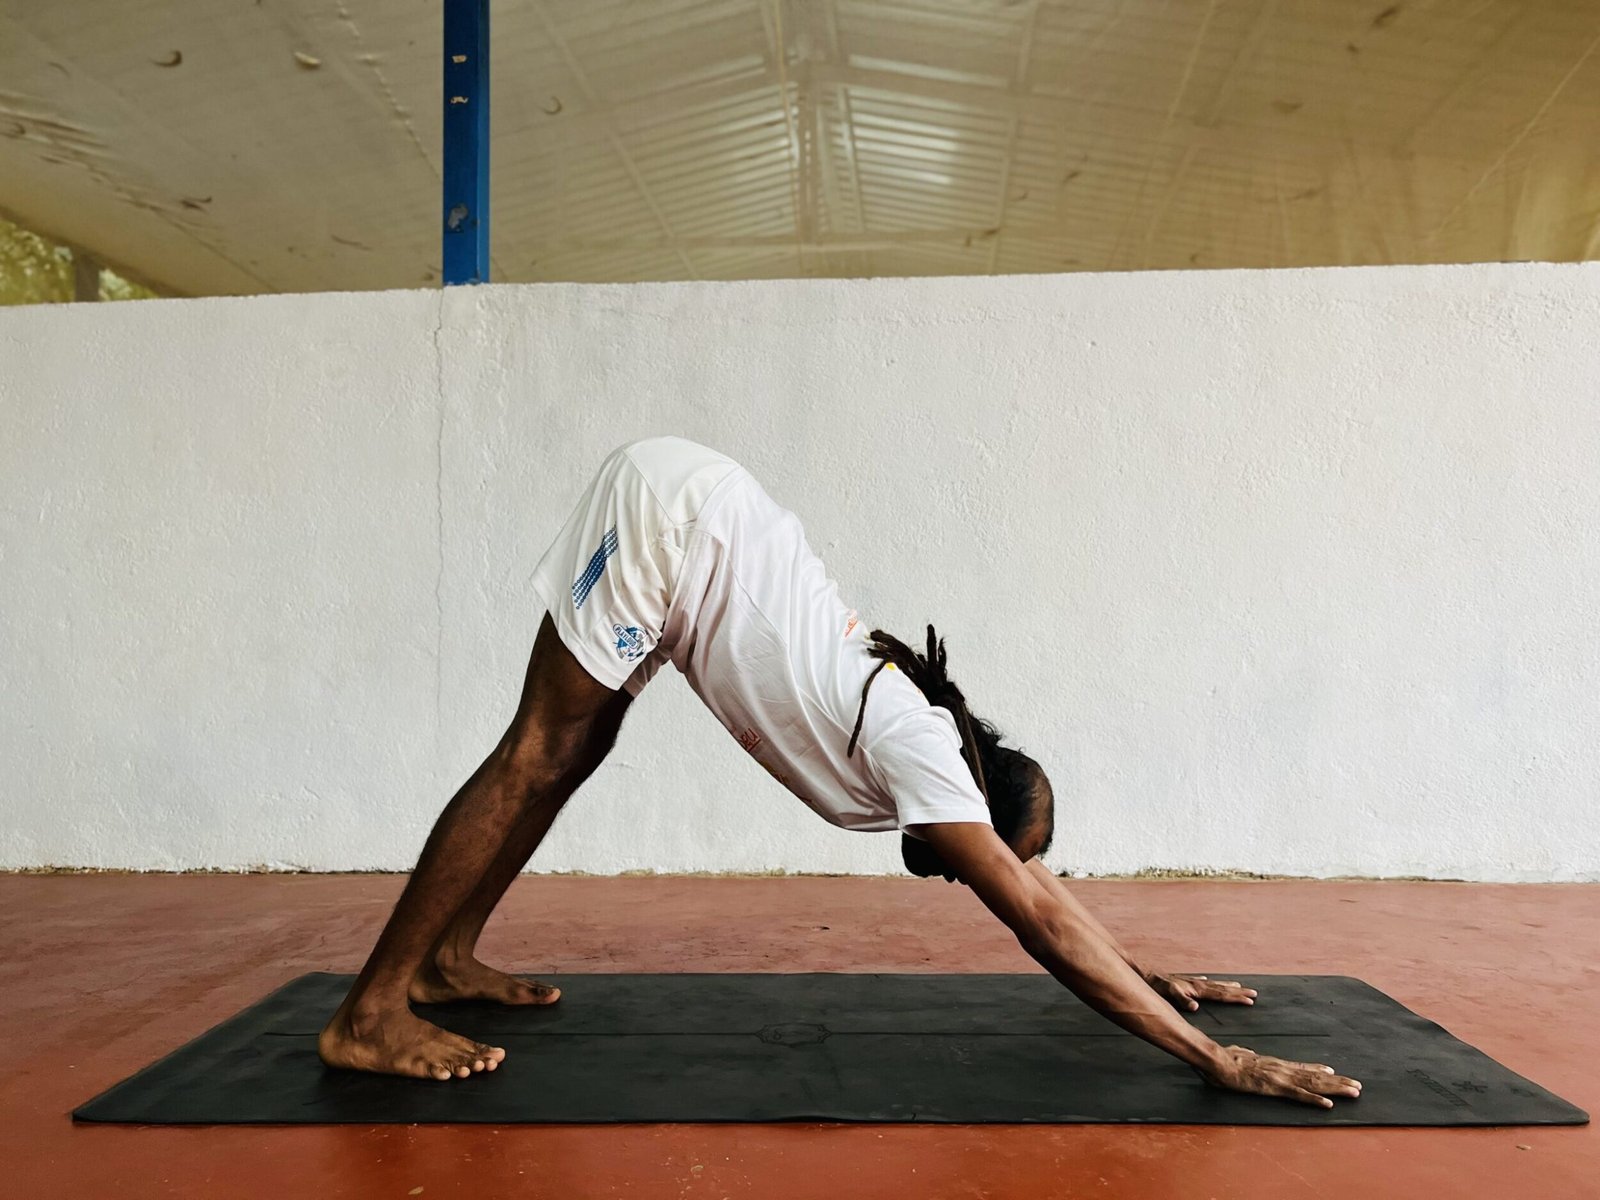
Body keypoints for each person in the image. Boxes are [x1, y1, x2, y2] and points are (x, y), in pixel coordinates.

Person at [317, 436, 1362, 1109]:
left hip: (693, 527)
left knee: (579, 747)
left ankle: (447, 958)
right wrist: (1214, 1062)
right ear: (973, 804)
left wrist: (1144, 975)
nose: (979, 873)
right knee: (537, 751)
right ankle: (368, 1016)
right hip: (669, 521)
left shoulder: (937, 752)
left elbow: (1040, 896)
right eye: (986, 855)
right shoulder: (922, 756)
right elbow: (1038, 922)